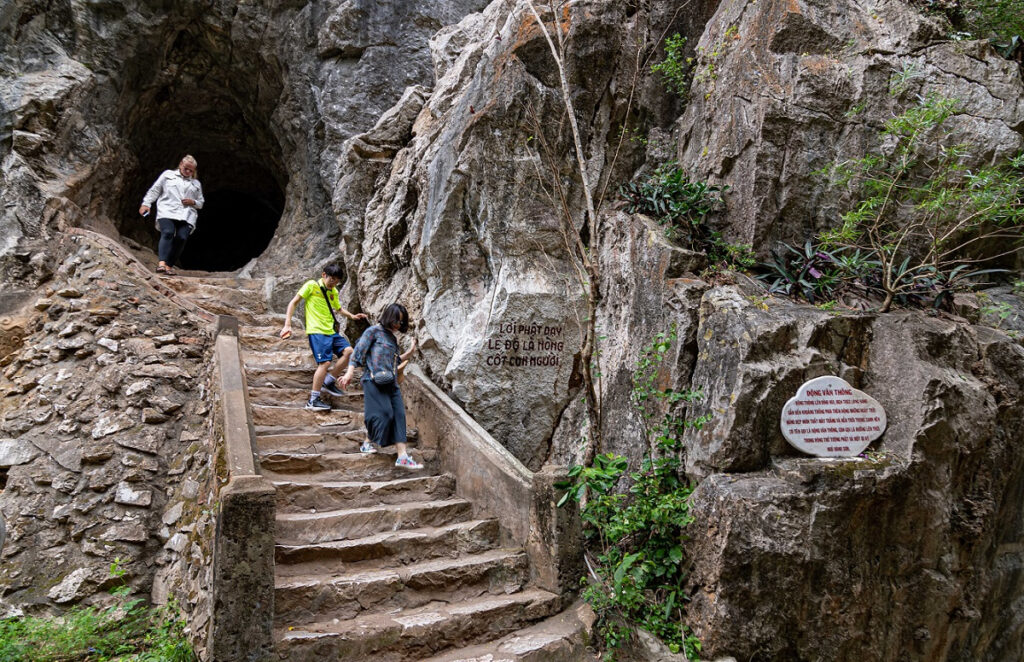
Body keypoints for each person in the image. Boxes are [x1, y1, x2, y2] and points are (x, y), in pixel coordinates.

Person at [340, 303, 422, 469]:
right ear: (388, 317)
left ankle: (402, 456)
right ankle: (367, 442)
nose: (398, 325)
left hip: (391, 382)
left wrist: (411, 352)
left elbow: (394, 360)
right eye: (396, 321)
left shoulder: (392, 338)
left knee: (399, 415)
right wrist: (349, 373)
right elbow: (357, 353)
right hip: (373, 381)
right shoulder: (373, 331)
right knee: (385, 414)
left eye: (401, 322)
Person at [280, 265, 367, 411]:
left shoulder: (333, 292)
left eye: (337, 281)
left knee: (349, 352)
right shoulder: (311, 286)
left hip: (331, 331)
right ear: (324, 275)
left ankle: (329, 380)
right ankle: (313, 400)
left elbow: (338, 309)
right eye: (332, 279)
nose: (333, 283)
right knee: (325, 363)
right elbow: (294, 302)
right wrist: (287, 324)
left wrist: (352, 316)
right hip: (317, 331)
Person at [139, 155, 205, 275]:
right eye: (186, 169)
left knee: (181, 238)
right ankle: (162, 264)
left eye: (191, 170)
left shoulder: (196, 183)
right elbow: (155, 190)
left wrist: (193, 202)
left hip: (187, 214)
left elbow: (201, 203)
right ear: (180, 164)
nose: (188, 172)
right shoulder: (167, 175)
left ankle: (169, 266)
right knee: (168, 232)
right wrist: (146, 204)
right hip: (167, 210)